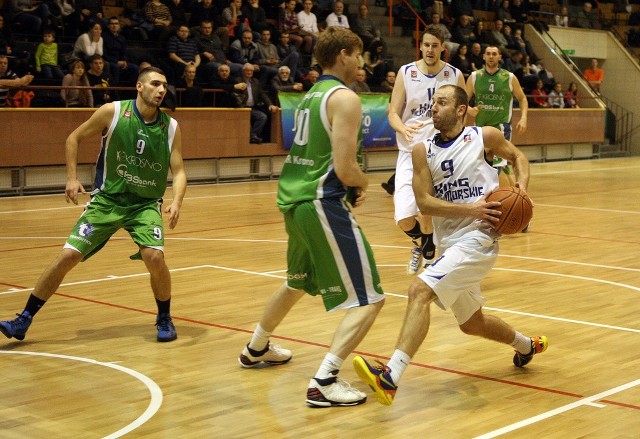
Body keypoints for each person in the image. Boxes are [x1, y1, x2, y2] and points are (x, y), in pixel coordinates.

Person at [352, 84, 548, 406]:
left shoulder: (483, 136)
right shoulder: (421, 150)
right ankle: (527, 346)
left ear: (460, 110)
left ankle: (390, 377)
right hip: (450, 243)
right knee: (473, 323)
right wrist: (471, 208)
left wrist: (521, 190)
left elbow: (518, 157)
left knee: (419, 290)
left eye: (441, 103)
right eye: (432, 103)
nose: (433, 108)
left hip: (480, 239)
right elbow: (425, 203)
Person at [238, 27, 385, 408]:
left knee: (296, 283)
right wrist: (364, 182)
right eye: (358, 55)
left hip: (295, 201)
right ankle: (325, 380)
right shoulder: (346, 99)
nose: (362, 63)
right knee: (369, 299)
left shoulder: (309, 97)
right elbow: (345, 166)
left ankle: (256, 348)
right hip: (322, 203)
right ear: (343, 56)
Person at [0, 67, 187, 343]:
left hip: (144, 205)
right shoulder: (112, 112)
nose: (161, 90)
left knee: (155, 257)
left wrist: (176, 201)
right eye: (155, 84)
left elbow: (179, 170)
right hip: (107, 201)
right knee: (68, 256)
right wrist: (72, 177)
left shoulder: (170, 126)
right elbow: (72, 138)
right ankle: (23, 319)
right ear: (139, 86)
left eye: (164, 86)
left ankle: (164, 318)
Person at [387, 26, 465, 275]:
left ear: (443, 47)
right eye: (426, 45)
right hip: (410, 151)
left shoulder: (454, 74)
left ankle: (436, 259)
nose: (430, 50)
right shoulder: (406, 72)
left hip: (441, 153)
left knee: (428, 210)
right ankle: (423, 243)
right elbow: (392, 113)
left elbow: (463, 116)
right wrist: (403, 128)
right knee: (403, 218)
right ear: (420, 46)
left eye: (435, 45)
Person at [465, 45, 528, 188]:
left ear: (499, 57)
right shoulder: (475, 77)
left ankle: (513, 198)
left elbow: (522, 98)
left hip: (501, 129)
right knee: (481, 166)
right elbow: (461, 100)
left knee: (501, 165)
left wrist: (523, 118)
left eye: (494, 54)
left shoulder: (509, 77)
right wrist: (469, 110)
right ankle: (510, 197)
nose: (491, 56)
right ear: (483, 56)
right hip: (480, 129)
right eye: (488, 54)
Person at [239, 63, 279, 143]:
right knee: (247, 122)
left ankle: (253, 135)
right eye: (247, 71)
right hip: (241, 108)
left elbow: (263, 94)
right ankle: (252, 137)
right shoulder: (238, 80)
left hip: (252, 108)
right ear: (243, 71)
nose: (249, 72)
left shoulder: (256, 82)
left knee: (262, 117)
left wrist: (270, 104)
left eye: (251, 71)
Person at [103, 16, 139, 87]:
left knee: (135, 67)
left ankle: (133, 91)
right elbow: (104, 55)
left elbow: (124, 52)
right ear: (108, 26)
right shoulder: (104, 37)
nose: (114, 25)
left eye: (116, 24)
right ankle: (115, 91)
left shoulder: (122, 38)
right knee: (116, 67)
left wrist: (124, 62)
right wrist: (117, 62)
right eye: (112, 24)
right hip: (109, 61)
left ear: (119, 26)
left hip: (120, 61)